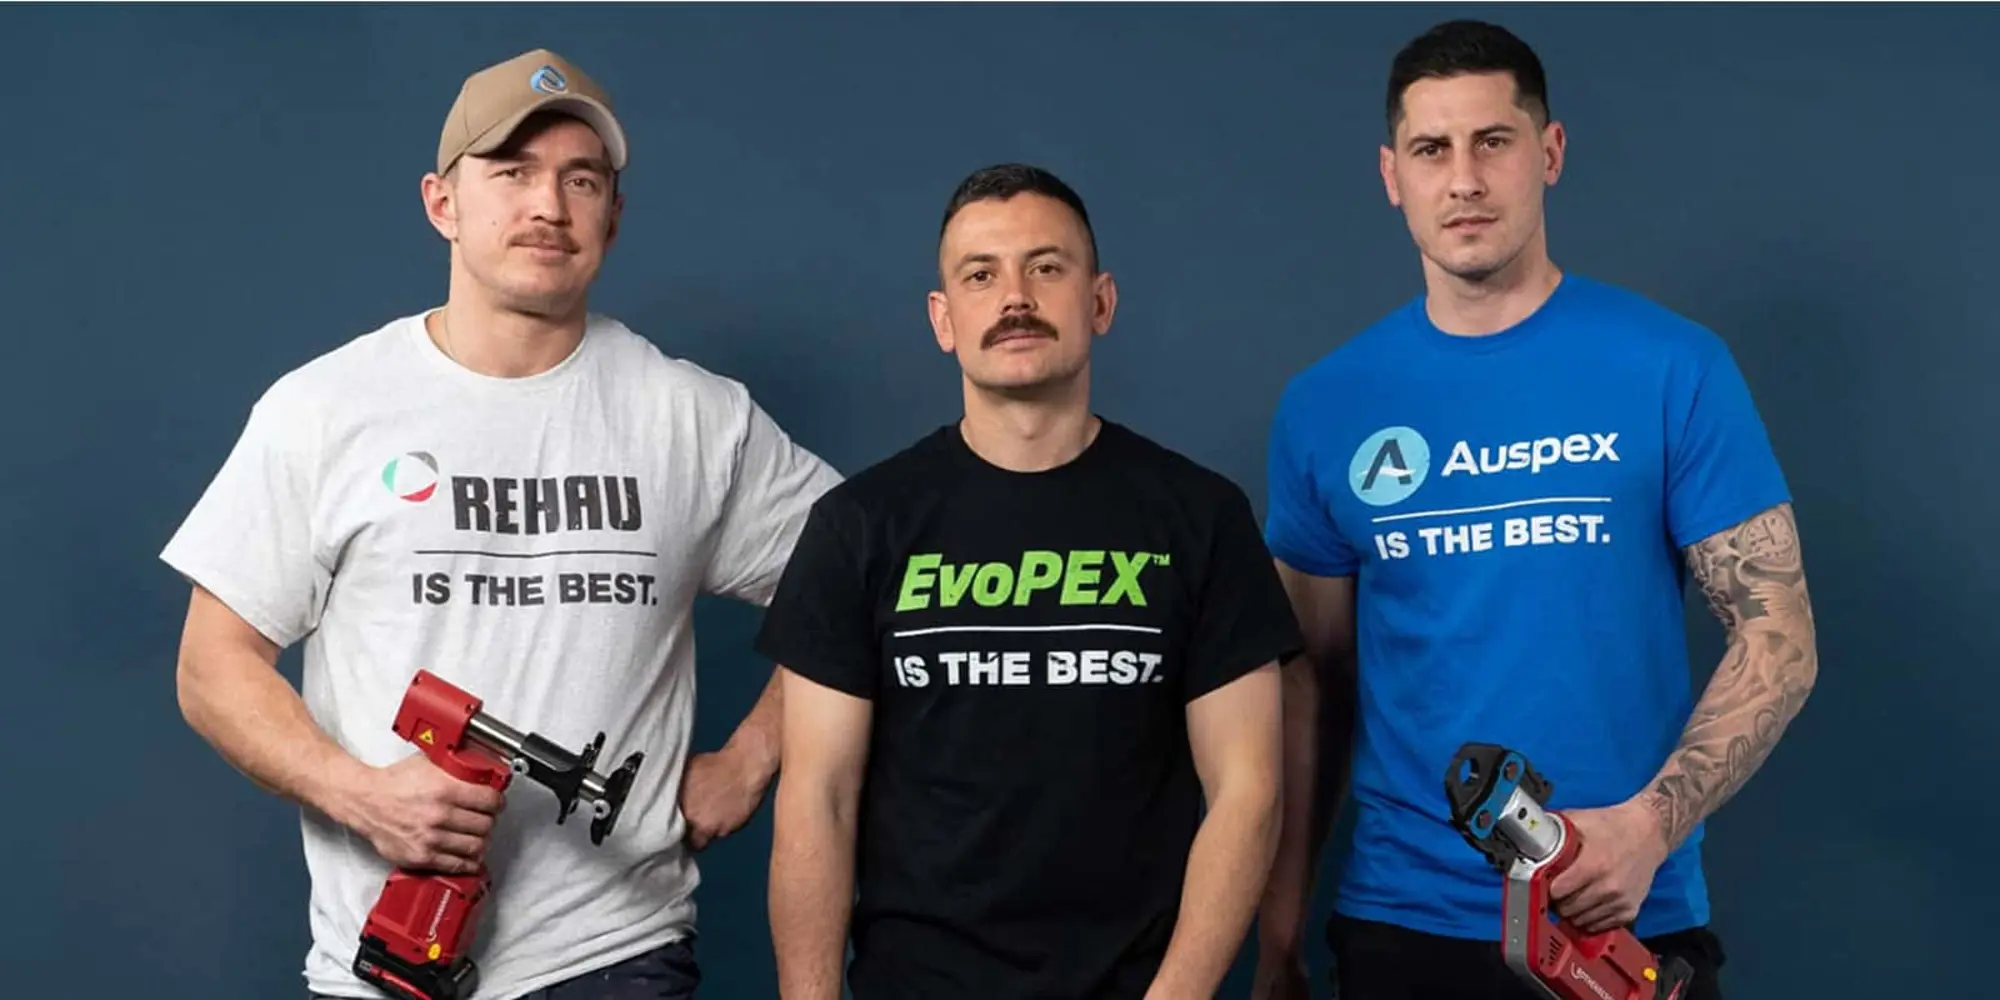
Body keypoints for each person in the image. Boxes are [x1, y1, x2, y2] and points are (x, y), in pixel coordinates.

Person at [160, 48, 842, 999]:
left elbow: (862, 573)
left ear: (613, 214)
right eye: (512, 173)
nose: (548, 206)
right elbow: (211, 665)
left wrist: (753, 756)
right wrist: (363, 795)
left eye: (581, 179)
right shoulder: (327, 407)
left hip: (615, 957)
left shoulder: (691, 416)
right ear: (443, 202)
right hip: (382, 966)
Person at [1250, 19, 1820, 1000]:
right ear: (1392, 175)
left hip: (1620, 922)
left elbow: (1779, 635)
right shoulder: (1324, 405)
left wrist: (1647, 826)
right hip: (1402, 926)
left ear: (1546, 153)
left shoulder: (1669, 366)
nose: (1461, 179)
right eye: (1431, 149)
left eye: (1492, 141)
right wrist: (1276, 934)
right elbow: (1312, 685)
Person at [755, 163, 1299, 999]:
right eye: (981, 274)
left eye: (1047, 268)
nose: (1015, 297)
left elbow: (1248, 789)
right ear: (944, 319)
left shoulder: (1201, 517)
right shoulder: (860, 524)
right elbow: (819, 797)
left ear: (1101, 302)